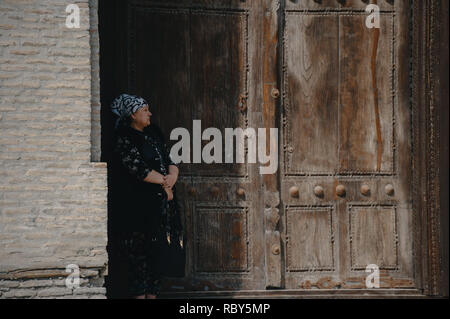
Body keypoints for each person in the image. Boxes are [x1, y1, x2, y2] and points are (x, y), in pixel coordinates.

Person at [109, 93, 183, 299]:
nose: (150, 113)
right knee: (139, 262)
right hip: (138, 211)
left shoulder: (154, 135)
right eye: (144, 110)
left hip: (161, 210)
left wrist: (172, 177)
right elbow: (137, 168)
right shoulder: (124, 139)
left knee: (157, 259)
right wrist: (164, 183)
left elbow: (170, 160)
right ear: (133, 115)